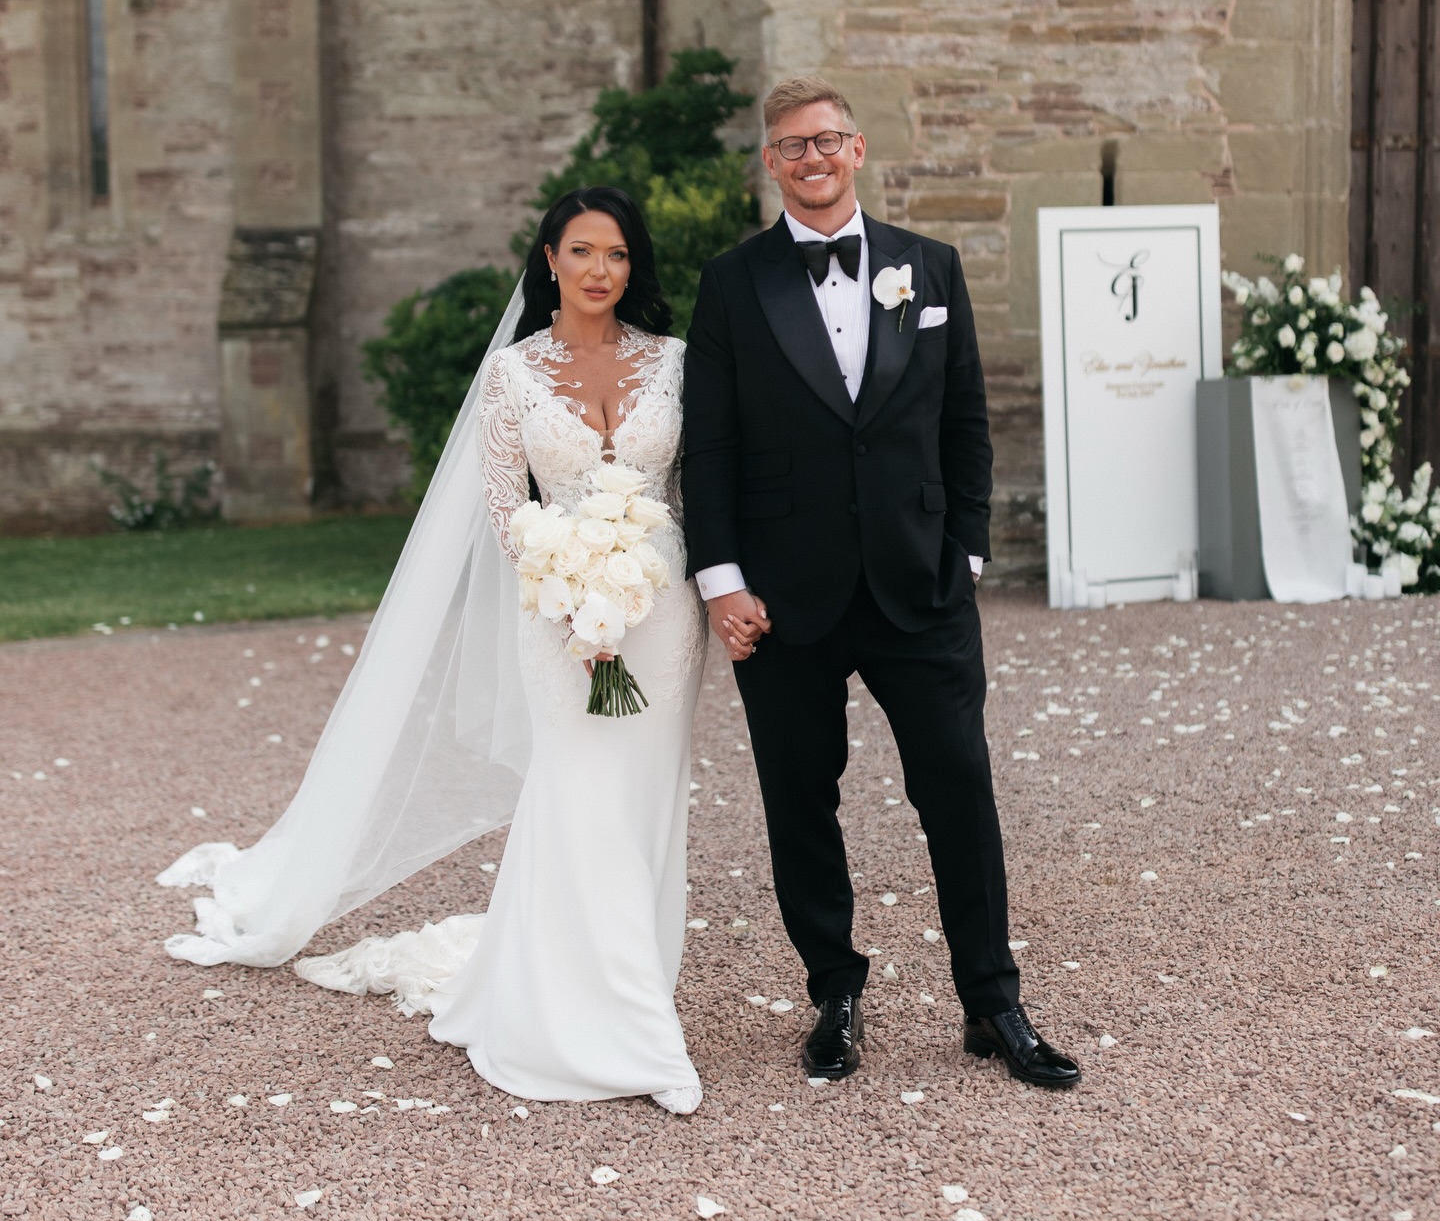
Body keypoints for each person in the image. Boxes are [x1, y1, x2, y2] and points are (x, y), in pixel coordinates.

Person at [160, 187, 718, 1115]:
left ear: (634, 266)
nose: (599, 270)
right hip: (556, 614)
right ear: (549, 261)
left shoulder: (678, 363)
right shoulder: (512, 377)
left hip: (664, 622)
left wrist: (690, 594)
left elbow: (697, 491)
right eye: (581, 251)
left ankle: (631, 986)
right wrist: (571, 596)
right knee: (579, 793)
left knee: (648, 800)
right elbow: (508, 511)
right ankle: (630, 1038)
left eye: (617, 255)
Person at [681, 76, 1081, 1091]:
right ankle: (835, 989)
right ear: (770, 163)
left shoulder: (929, 266)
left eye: (827, 140)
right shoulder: (732, 283)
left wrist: (971, 554)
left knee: (959, 790)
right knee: (799, 800)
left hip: (920, 590)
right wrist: (723, 580)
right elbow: (713, 446)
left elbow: (967, 425)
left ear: (857, 149)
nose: (810, 158)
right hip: (783, 599)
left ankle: (993, 1002)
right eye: (789, 146)